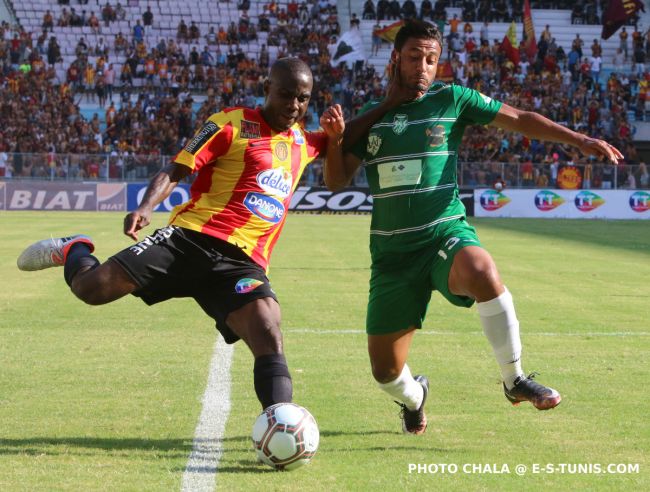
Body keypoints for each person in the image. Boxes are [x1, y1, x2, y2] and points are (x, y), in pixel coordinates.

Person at [320, 20, 623, 435]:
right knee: (386, 373)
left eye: (431, 59)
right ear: (395, 59)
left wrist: (577, 139)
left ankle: (514, 380)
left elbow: (519, 118)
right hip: (392, 256)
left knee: (482, 270)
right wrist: (336, 141)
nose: (423, 67)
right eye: (414, 58)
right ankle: (415, 397)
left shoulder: (452, 99)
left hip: (442, 234)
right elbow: (334, 181)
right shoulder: (370, 121)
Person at [17, 58, 341, 413]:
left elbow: (355, 137)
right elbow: (176, 169)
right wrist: (145, 207)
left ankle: (281, 423)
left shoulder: (304, 142)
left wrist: (386, 105)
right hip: (190, 240)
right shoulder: (229, 123)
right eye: (285, 95)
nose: (294, 106)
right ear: (266, 90)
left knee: (268, 331)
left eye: (303, 98)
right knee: (91, 289)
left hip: (242, 263)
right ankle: (73, 249)